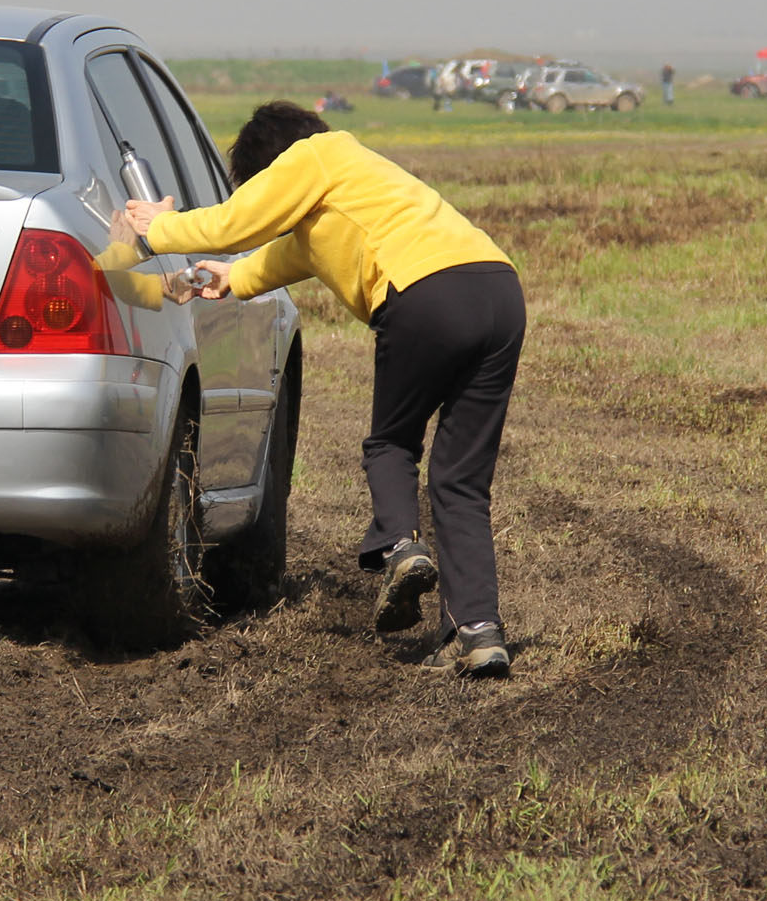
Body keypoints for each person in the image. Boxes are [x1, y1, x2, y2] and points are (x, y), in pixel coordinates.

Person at [107, 102, 521, 676]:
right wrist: (213, 279)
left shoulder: (315, 154)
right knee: (461, 479)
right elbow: (270, 259)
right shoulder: (350, 187)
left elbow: (231, 225)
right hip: (500, 291)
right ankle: (480, 633)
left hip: (425, 293)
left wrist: (157, 227)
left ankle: (402, 547)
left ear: (272, 169)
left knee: (391, 446)